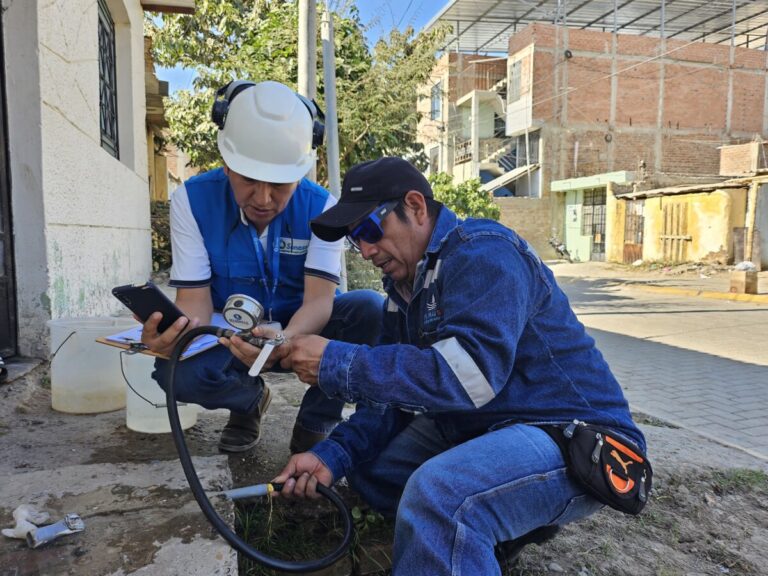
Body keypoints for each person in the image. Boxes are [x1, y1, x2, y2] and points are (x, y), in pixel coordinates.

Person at [273, 157, 647, 575]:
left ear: (415, 207)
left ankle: (476, 526)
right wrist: (331, 456)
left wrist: (338, 361)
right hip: (483, 426)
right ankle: (494, 535)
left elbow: (469, 377)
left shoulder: (482, 251)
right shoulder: (404, 291)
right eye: (353, 240)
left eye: (367, 230)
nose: (364, 249)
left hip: (573, 438)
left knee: (440, 495)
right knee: (370, 470)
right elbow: (390, 403)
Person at [139, 80, 383, 453]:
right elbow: (195, 301)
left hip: (298, 329)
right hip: (231, 336)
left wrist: (282, 341)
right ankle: (248, 402)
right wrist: (173, 336)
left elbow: (319, 302)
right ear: (227, 163)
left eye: (281, 185)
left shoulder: (321, 206)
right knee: (174, 372)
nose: (264, 199)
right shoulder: (191, 201)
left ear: (300, 174)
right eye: (249, 180)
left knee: (368, 309)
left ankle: (316, 421)